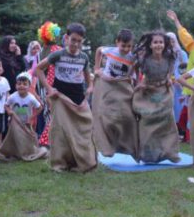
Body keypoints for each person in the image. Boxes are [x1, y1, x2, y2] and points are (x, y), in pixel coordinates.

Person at [35, 23, 97, 172]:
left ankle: (81, 160)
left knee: (83, 128)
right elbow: (38, 69)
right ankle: (60, 162)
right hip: (60, 97)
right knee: (60, 131)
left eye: (79, 41)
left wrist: (90, 87)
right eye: (73, 40)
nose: (75, 44)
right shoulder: (58, 54)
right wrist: (49, 89)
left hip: (78, 98)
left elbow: (88, 77)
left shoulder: (83, 57)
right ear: (66, 38)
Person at [132, 31, 180, 163]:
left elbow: (171, 68)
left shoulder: (170, 57)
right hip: (148, 92)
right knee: (147, 122)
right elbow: (134, 68)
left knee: (167, 122)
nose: (158, 45)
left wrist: (169, 77)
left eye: (161, 42)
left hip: (164, 92)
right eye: (155, 42)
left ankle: (169, 152)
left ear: (164, 44)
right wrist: (138, 83)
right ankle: (148, 155)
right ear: (151, 45)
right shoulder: (144, 59)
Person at [92, 29, 138, 159]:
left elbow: (134, 69)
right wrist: (97, 69)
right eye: (123, 45)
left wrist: (130, 77)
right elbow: (99, 50)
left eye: (129, 46)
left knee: (128, 116)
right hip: (107, 86)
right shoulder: (110, 51)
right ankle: (107, 147)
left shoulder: (132, 57)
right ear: (117, 43)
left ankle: (127, 146)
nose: (126, 49)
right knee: (107, 117)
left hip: (122, 87)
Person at [36, 21, 62, 145]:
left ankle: (49, 139)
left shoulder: (42, 50)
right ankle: (48, 140)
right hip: (51, 85)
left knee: (48, 113)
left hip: (42, 85)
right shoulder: (56, 50)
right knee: (52, 113)